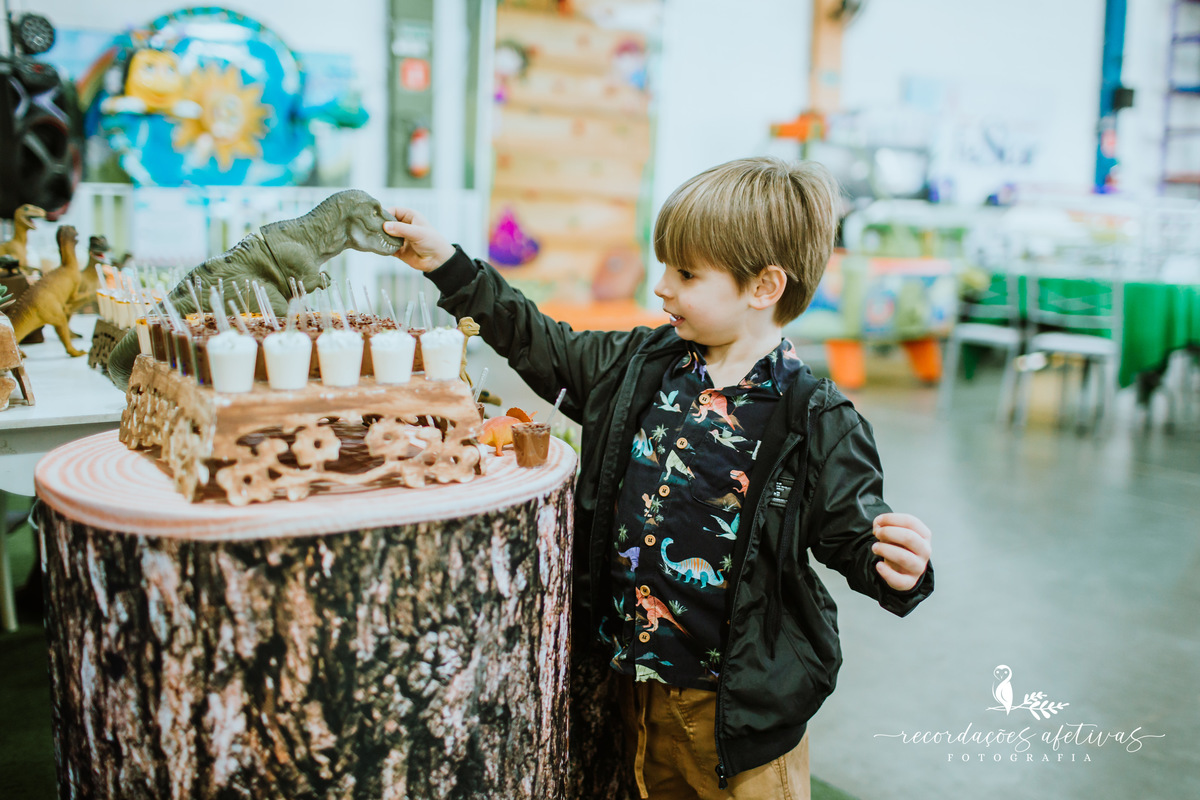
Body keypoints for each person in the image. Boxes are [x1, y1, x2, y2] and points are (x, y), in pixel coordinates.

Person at [383, 156, 934, 799]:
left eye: (686, 273)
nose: (661, 288)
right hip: (634, 696)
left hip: (739, 725)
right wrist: (449, 263)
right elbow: (540, 341)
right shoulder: (639, 367)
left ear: (763, 287)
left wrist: (897, 566)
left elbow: (853, 536)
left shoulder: (816, 419)